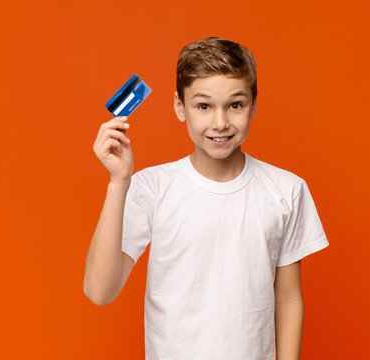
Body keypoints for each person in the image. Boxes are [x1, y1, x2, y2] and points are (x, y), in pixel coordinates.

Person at [84, 36, 329, 360]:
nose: (220, 123)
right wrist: (119, 181)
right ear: (179, 107)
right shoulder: (152, 188)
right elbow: (100, 292)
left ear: (253, 104)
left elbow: (287, 299)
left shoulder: (286, 190)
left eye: (235, 105)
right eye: (204, 106)